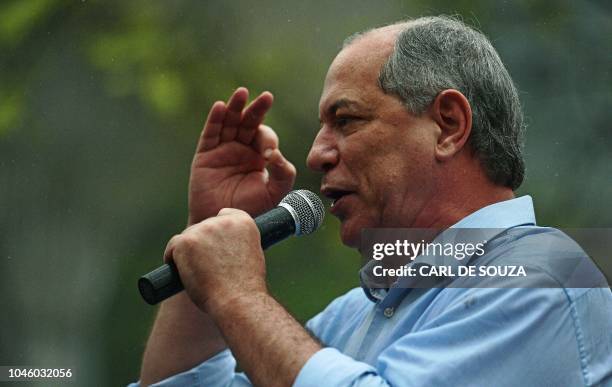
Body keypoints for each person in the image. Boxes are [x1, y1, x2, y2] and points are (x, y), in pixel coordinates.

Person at [133, 16, 612, 386]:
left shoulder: (544, 278)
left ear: (448, 126)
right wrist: (211, 227)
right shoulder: (353, 313)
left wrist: (237, 294)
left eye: (347, 121)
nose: (317, 154)